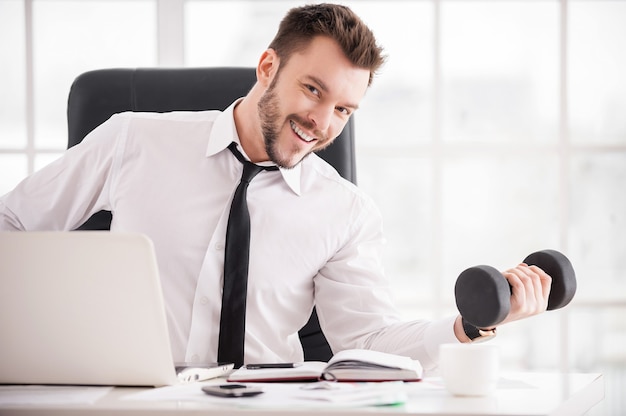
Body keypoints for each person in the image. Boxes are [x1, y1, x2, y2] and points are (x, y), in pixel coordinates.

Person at [0, 3, 551, 373]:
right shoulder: (133, 141)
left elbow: (371, 342)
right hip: (135, 399)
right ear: (268, 66)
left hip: (268, 405)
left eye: (343, 109)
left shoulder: (344, 211)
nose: (322, 121)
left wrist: (470, 327)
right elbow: (12, 224)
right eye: (312, 90)